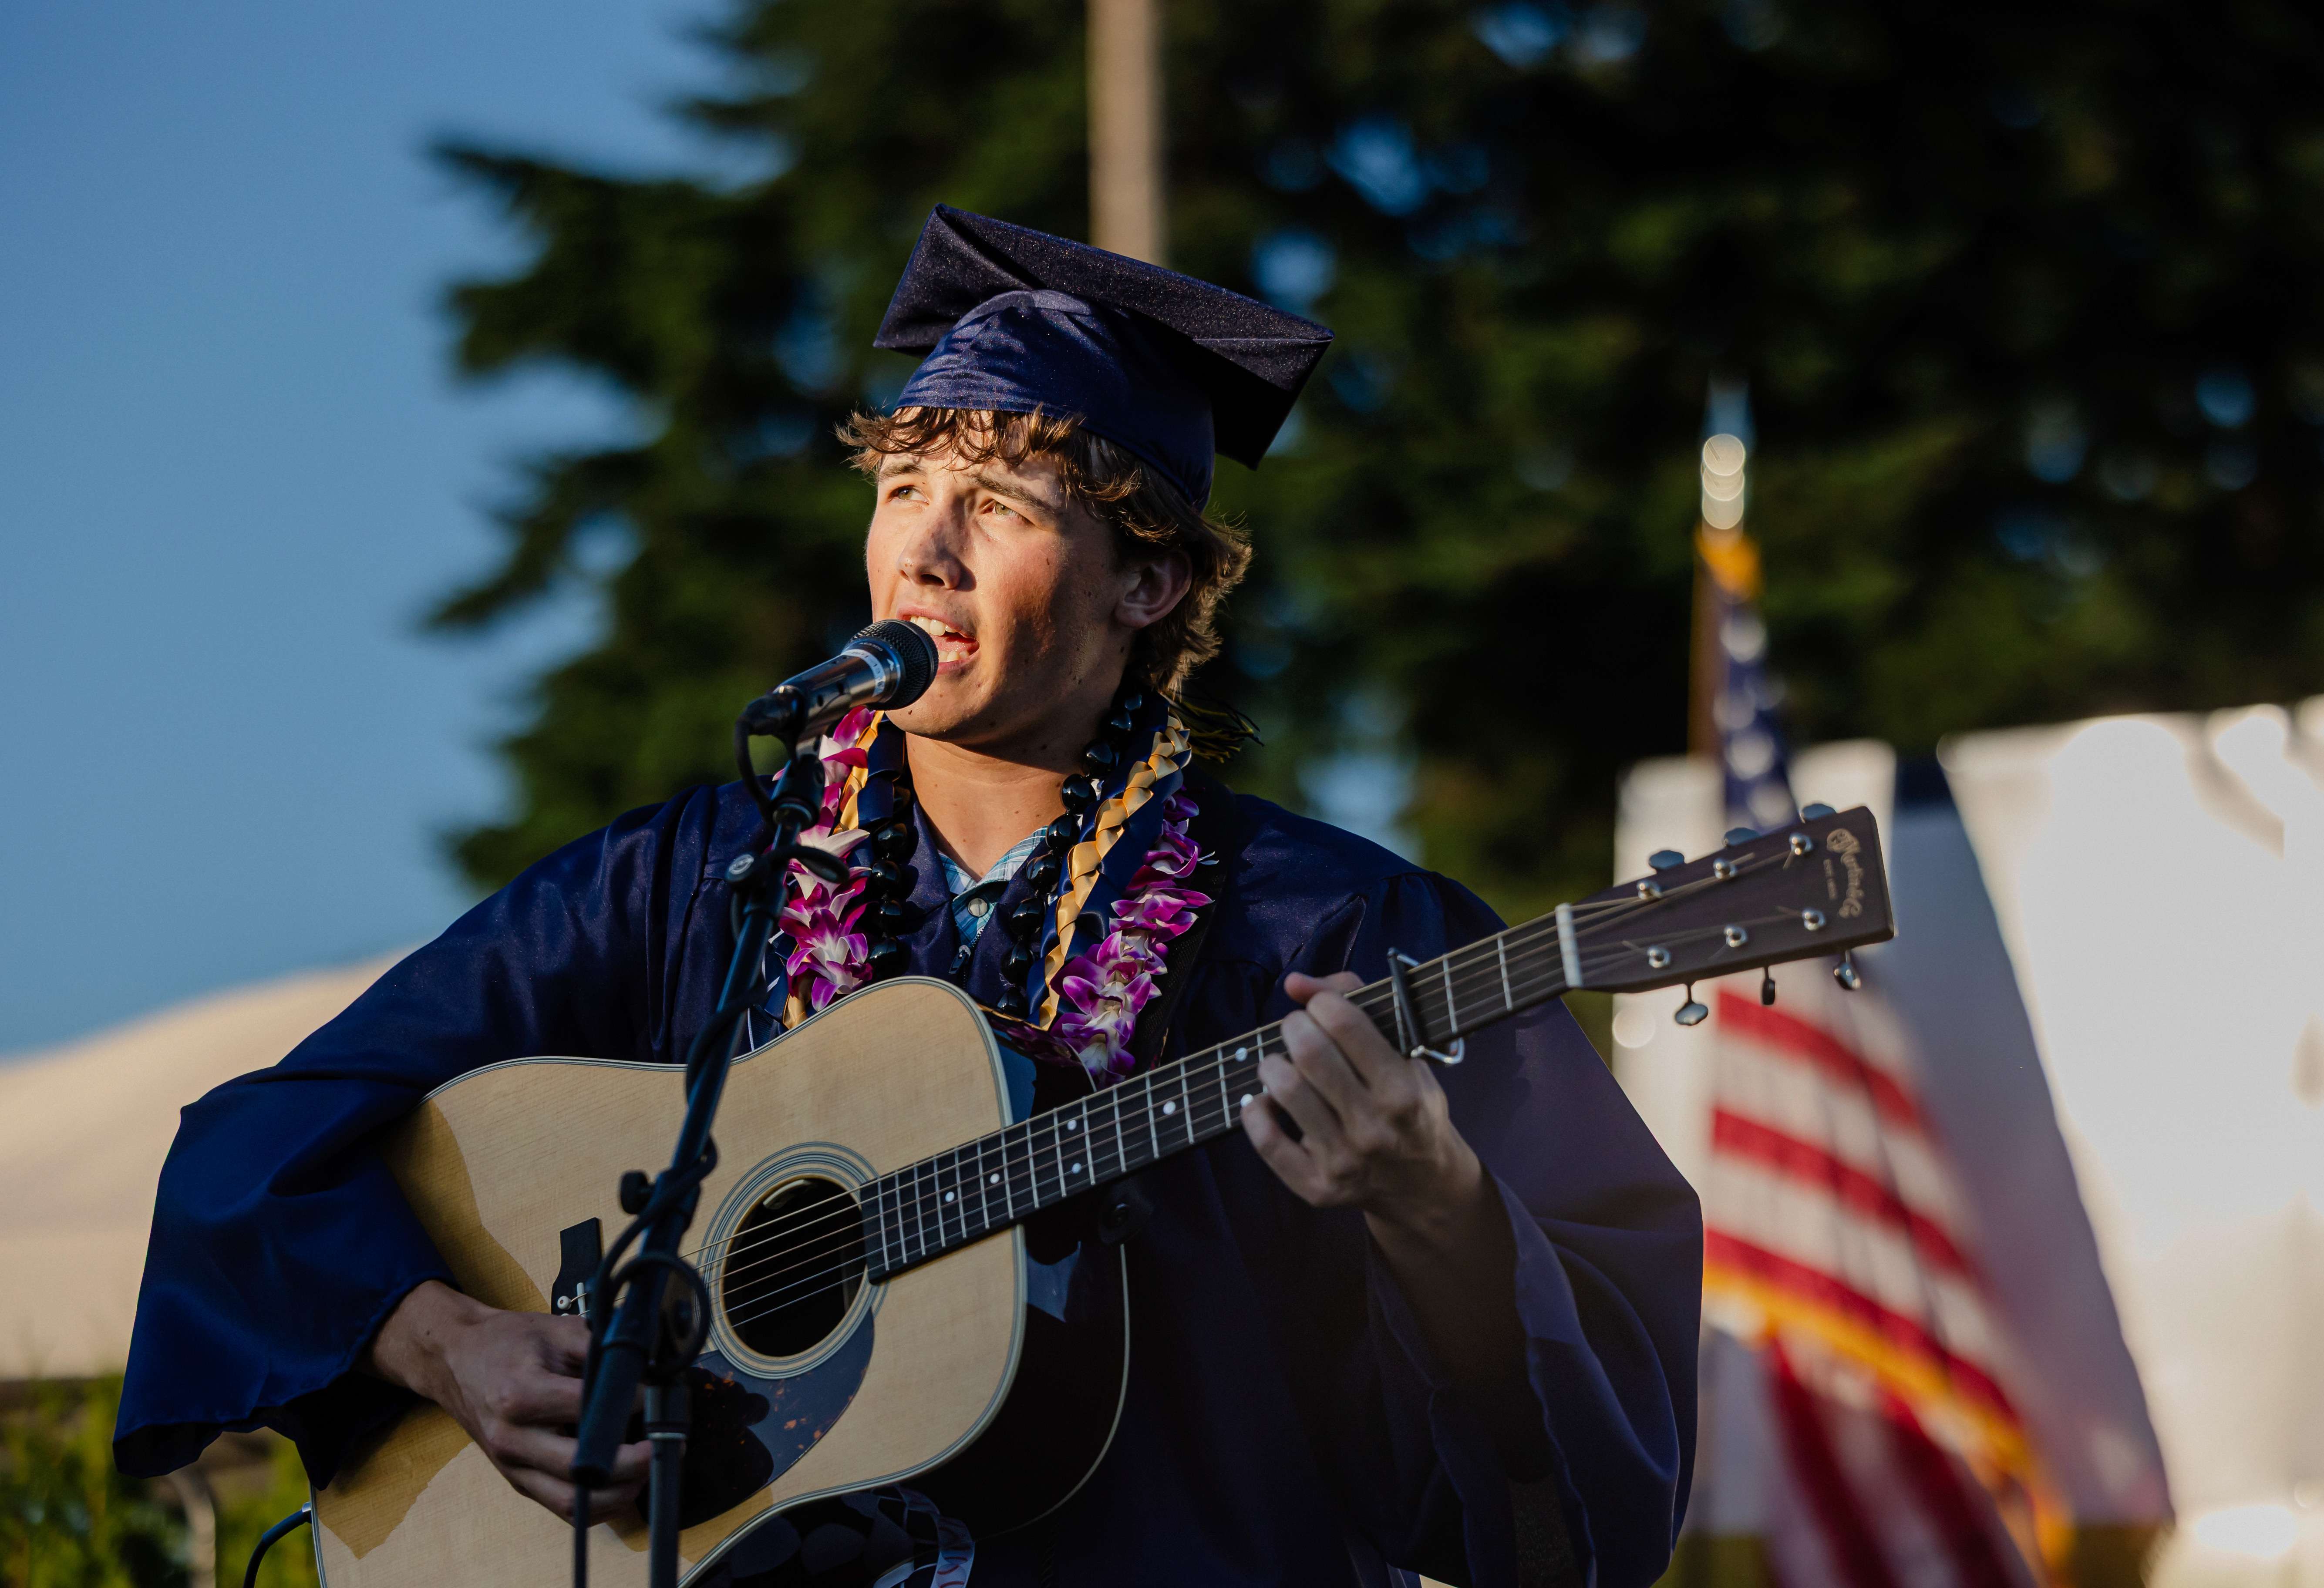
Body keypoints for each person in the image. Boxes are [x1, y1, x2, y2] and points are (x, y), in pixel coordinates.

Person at [116, 206, 1702, 1588]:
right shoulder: (691, 885)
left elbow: (1586, 1487)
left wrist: (1441, 1215)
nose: (924, 552)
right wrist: (447, 1344)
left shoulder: (1335, 934)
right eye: (904, 489)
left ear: (1145, 583)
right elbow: (261, 1146)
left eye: (1001, 506)